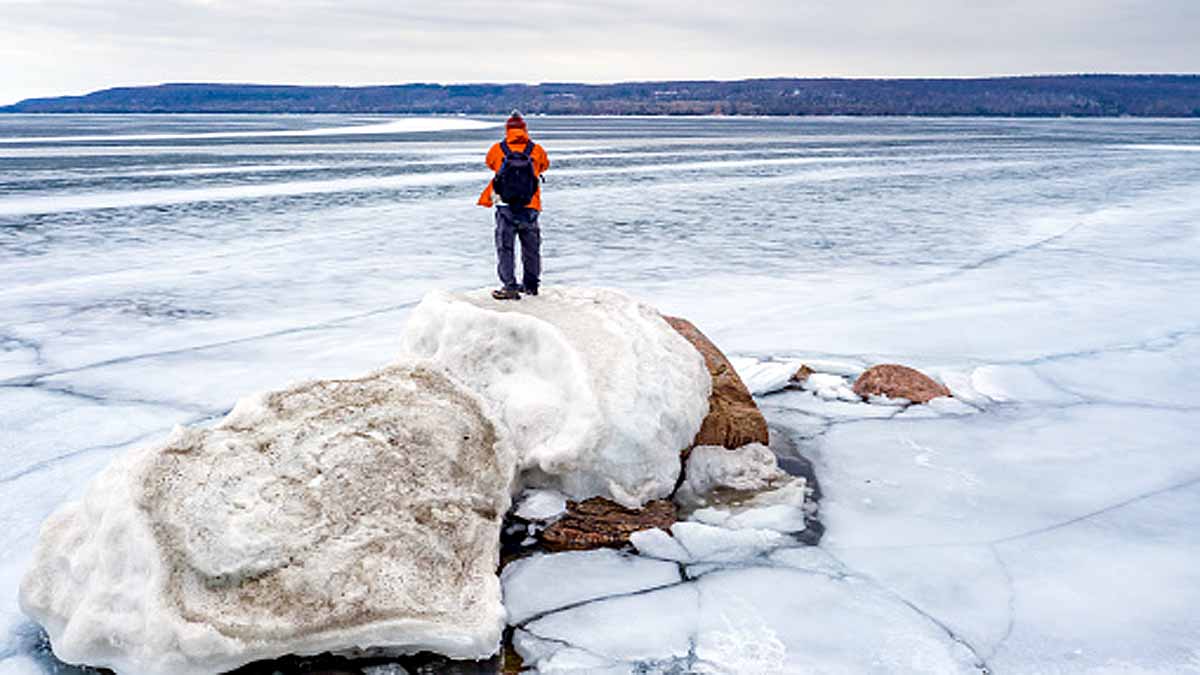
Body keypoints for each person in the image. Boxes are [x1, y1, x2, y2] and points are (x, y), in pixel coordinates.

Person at [478, 110, 550, 300]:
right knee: (531, 248)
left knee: (505, 247)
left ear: (507, 129)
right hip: (530, 204)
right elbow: (544, 166)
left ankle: (509, 286)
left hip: (505, 204)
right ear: (525, 129)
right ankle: (531, 286)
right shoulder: (536, 150)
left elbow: (490, 164)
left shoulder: (497, 149)